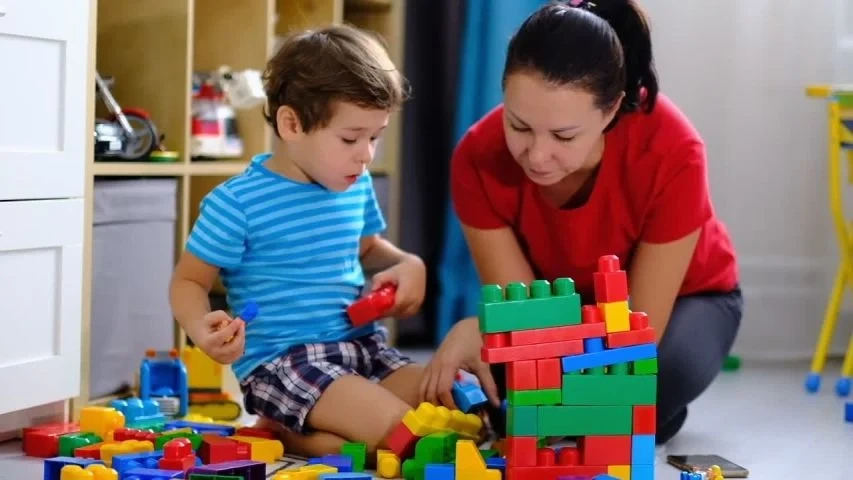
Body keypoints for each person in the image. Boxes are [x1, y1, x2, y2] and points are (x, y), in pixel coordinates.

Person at [420, 0, 742, 445]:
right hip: (563, 311)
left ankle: (627, 414)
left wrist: (492, 330)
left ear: (611, 111)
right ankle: (617, 417)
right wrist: (492, 330)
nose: (536, 155)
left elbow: (632, 335)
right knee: (497, 390)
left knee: (646, 374)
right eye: (519, 125)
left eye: (563, 136)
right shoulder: (477, 157)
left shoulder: (673, 149)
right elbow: (527, 316)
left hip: (689, 300)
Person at [169, 25, 427, 457]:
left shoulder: (354, 183)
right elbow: (188, 281)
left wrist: (407, 264)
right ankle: (289, 427)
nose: (366, 154)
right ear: (291, 123)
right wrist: (200, 327)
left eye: (375, 137)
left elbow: (366, 249)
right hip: (285, 362)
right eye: (351, 138)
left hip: (363, 347)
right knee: (402, 434)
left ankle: (289, 431)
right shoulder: (238, 203)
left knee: (445, 398)